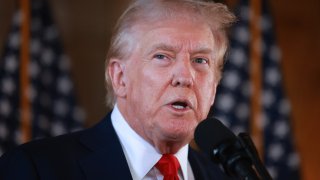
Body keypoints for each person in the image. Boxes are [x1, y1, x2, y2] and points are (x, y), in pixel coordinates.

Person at [0, 0, 236, 179]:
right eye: (162, 56)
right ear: (120, 77)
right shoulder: (37, 168)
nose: (185, 76)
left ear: (213, 89)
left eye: (200, 60)